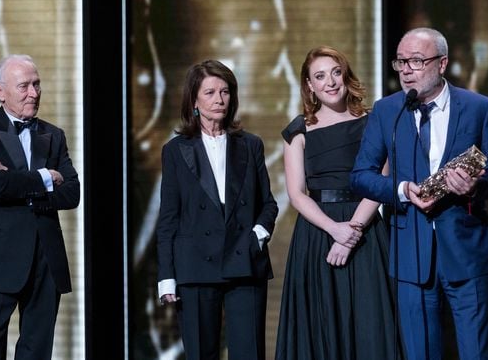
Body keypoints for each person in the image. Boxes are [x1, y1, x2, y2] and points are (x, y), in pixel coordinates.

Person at [351, 27, 488, 360]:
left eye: (416, 61)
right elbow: (361, 176)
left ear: (442, 64)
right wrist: (400, 190)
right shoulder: (387, 111)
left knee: (475, 353)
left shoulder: (478, 108)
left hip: (467, 256)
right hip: (411, 254)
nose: (407, 70)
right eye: (401, 62)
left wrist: (476, 186)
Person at [275, 46, 401, 360]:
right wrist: (334, 230)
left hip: (366, 232)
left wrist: (351, 233)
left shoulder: (373, 122)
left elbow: (379, 183)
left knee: (370, 323)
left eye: (335, 72)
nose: (330, 82)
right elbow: (296, 194)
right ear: (309, 85)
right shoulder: (298, 130)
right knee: (321, 327)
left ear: (345, 76)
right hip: (317, 235)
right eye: (320, 76)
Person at [155, 59, 278, 360]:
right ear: (194, 100)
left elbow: (269, 205)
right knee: (201, 353)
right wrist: (166, 276)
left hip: (244, 261)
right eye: (210, 93)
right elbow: (169, 218)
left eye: (225, 92)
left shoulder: (250, 145)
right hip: (195, 265)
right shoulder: (175, 150)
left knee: (249, 353)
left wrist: (257, 236)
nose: (219, 100)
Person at [0, 54, 80, 360]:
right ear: (1, 92)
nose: (34, 93)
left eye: (37, 84)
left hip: (46, 260)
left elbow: (72, 194)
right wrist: (44, 177)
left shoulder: (52, 135)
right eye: (24, 86)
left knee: (37, 351)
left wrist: (20, 183)